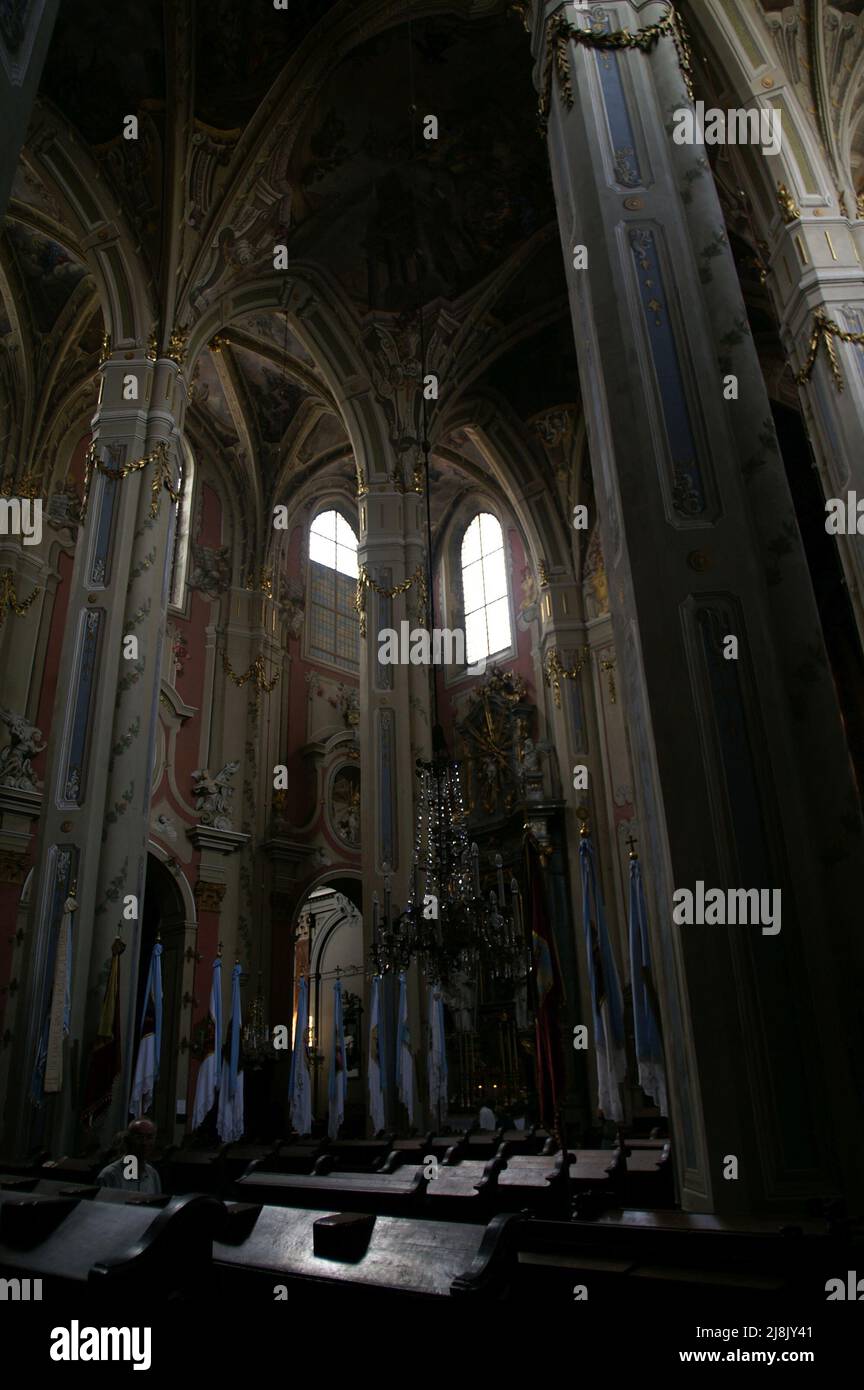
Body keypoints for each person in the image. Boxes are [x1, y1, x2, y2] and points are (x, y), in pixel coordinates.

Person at [97, 1118, 162, 1194]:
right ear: (128, 1140)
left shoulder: (153, 1175)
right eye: (139, 1137)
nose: (144, 1143)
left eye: (149, 1137)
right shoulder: (110, 1176)